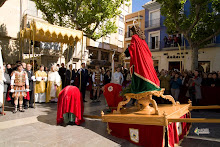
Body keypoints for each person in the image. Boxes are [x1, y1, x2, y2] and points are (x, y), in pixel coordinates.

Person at [124, 24, 161, 93]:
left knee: (141, 70)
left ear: (134, 31)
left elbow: (132, 47)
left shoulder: (135, 37)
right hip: (147, 58)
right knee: (147, 71)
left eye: (132, 31)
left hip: (141, 59)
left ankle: (140, 88)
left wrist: (126, 52)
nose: (131, 33)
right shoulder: (142, 39)